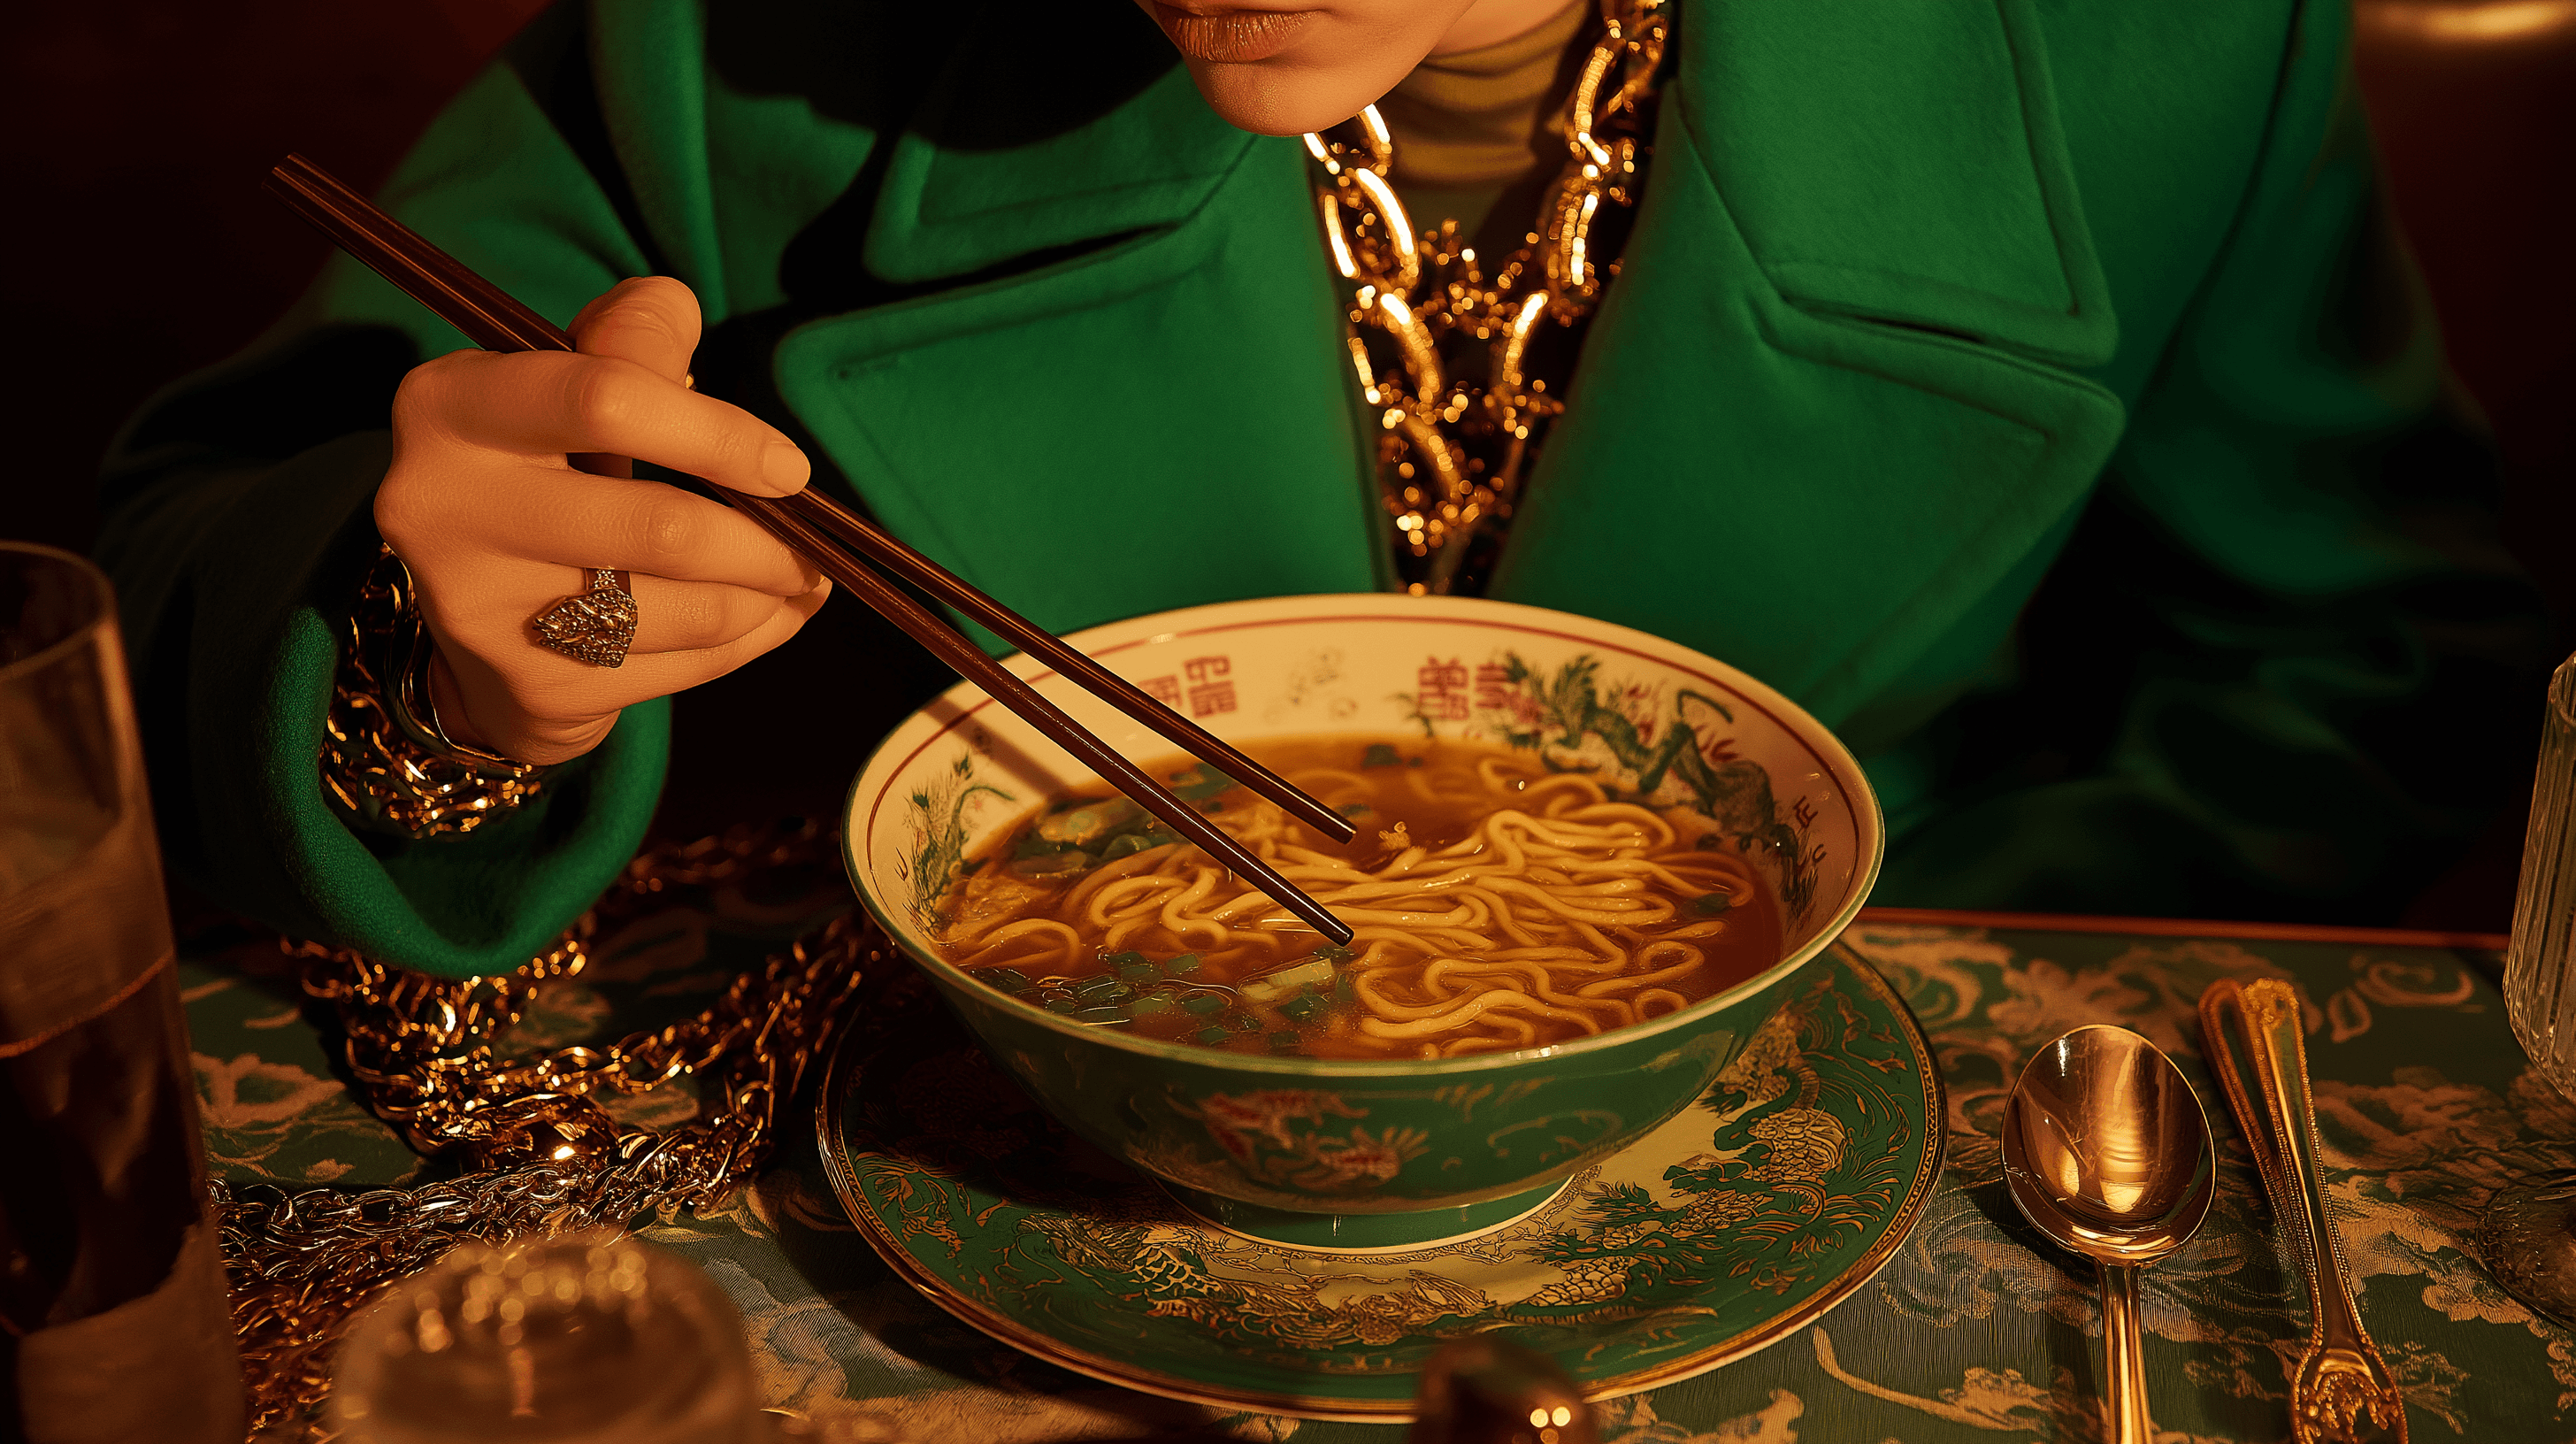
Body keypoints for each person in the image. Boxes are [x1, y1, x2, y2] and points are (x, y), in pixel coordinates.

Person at [98, 0, 2544, 979]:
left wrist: (1842, 975)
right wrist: (446, 675)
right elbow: (206, 540)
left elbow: (2364, 655)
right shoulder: (764, 25)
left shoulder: (2152, 35)